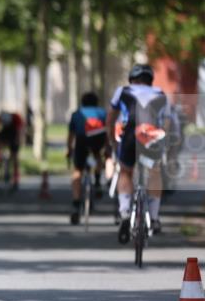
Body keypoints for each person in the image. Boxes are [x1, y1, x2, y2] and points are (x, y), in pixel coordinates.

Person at [106, 64, 170, 241]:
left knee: (125, 171)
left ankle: (125, 211)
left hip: (129, 136)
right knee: (154, 171)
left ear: (132, 79)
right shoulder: (160, 93)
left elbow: (111, 117)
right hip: (150, 136)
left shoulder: (123, 91)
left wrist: (111, 138)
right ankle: (155, 217)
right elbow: (166, 122)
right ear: (150, 80)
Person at [66, 92, 108, 224]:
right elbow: (107, 132)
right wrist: (107, 148)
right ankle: (97, 181)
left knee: (78, 170)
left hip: (82, 140)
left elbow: (71, 135)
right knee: (97, 155)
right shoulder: (103, 112)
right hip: (98, 138)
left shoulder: (76, 113)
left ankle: (76, 204)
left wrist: (69, 149)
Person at [0, 110, 24, 190]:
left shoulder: (16, 118)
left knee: (15, 157)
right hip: (3, 133)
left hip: (13, 133)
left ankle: (16, 178)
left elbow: (19, 133)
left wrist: (18, 142)